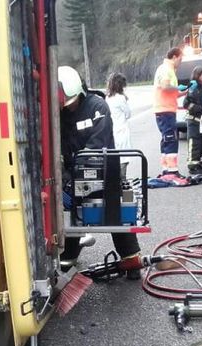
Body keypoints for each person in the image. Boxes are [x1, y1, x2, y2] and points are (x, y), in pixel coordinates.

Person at [58, 66, 142, 278]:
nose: (69, 107)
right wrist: (66, 176)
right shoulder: (59, 114)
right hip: (71, 176)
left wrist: (79, 168)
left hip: (105, 172)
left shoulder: (97, 107)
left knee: (117, 213)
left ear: (80, 92)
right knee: (69, 216)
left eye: (71, 102)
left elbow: (98, 143)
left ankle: (131, 260)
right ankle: (67, 261)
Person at [153, 47, 188, 177]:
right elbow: (165, 86)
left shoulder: (170, 69)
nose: (181, 61)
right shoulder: (165, 69)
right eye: (180, 58)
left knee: (167, 139)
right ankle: (171, 170)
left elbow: (170, 92)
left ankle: (167, 168)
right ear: (174, 57)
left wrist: (183, 92)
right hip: (164, 110)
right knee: (170, 139)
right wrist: (177, 87)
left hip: (167, 109)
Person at [183, 66, 202, 176]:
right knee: (194, 143)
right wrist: (199, 108)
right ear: (198, 75)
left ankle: (199, 162)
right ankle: (193, 166)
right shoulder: (193, 87)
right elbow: (186, 104)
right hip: (194, 120)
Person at [105, 72, 132, 174]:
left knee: (115, 158)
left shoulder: (108, 98)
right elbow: (128, 114)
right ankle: (122, 183)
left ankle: (116, 182)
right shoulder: (120, 98)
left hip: (112, 132)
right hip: (121, 131)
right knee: (124, 159)